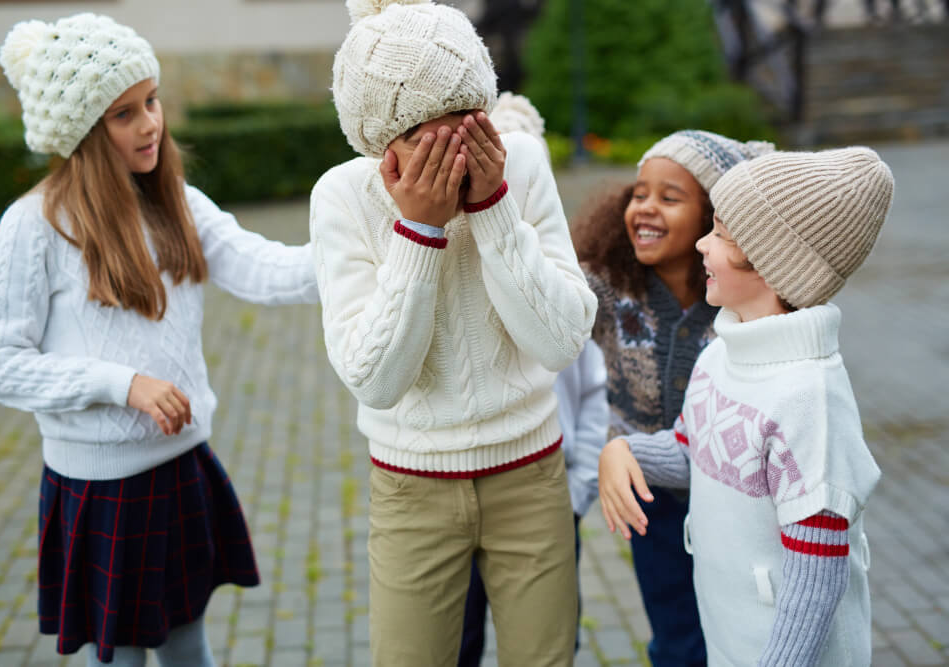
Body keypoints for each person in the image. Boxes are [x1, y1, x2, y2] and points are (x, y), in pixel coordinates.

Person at [0, 13, 317, 666]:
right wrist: (122, 385)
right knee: (121, 658)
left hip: (182, 468)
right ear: (83, 131)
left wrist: (368, 243)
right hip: (102, 490)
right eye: (124, 113)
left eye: (151, 100)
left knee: (189, 646)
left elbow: (267, 268)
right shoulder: (32, 226)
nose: (151, 122)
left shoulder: (174, 199)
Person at [310, 1, 598, 664]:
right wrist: (420, 232)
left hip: (530, 472)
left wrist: (495, 210)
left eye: (469, 123)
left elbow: (562, 340)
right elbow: (375, 379)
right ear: (384, 140)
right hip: (412, 485)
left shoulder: (519, 162)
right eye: (428, 136)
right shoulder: (343, 197)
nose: (457, 149)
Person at [598, 147, 893, 666]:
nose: (701, 244)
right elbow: (697, 453)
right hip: (729, 641)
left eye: (720, 235)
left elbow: (814, 586)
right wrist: (626, 451)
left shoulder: (809, 400)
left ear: (773, 260)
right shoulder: (719, 356)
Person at [572, 130, 773, 667]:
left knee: (738, 631)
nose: (645, 207)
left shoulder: (741, 300)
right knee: (676, 635)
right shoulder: (610, 288)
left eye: (669, 196)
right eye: (639, 193)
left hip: (734, 501)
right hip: (652, 499)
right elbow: (546, 297)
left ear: (714, 217)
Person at [457, 92, 608, 666]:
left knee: (548, 639)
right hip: (463, 486)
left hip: (547, 492)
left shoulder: (566, 284)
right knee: (460, 637)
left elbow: (594, 394)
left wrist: (576, 490)